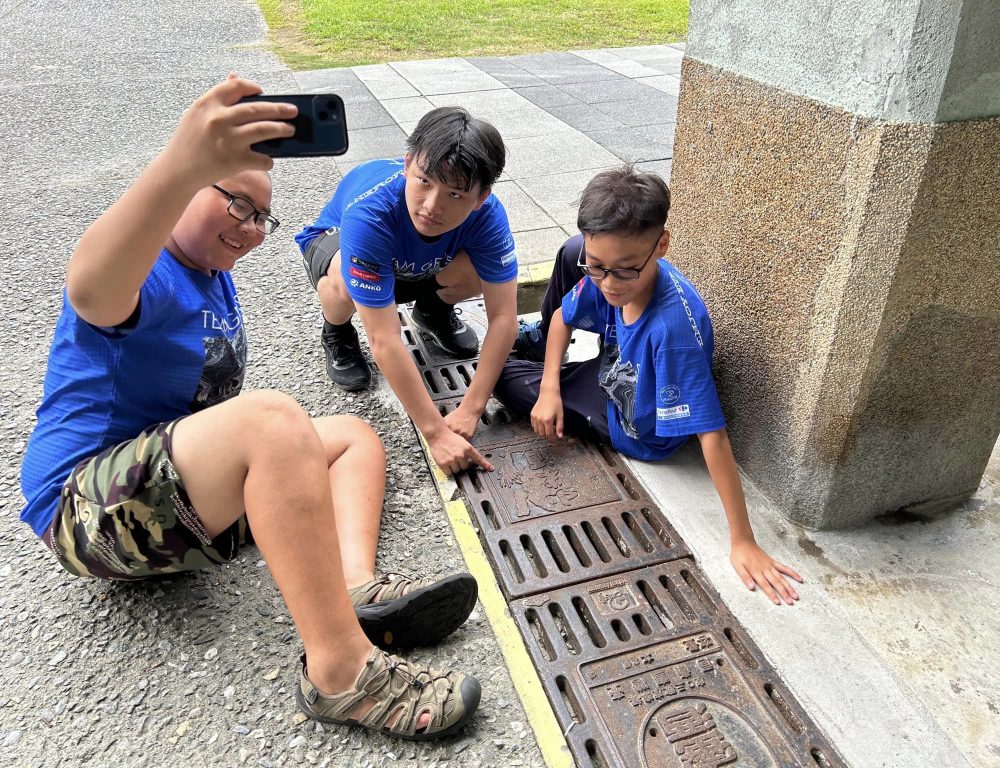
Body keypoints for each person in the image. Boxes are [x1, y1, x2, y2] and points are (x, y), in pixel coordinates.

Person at [18, 77, 481, 739]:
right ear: (188, 188)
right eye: (235, 202)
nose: (251, 228)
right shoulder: (143, 267)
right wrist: (181, 163)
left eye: (262, 216)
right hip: (86, 511)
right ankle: (340, 673)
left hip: (172, 500)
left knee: (352, 436)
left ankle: (353, 588)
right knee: (273, 420)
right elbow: (91, 285)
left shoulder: (213, 281)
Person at [495, 166, 804, 606]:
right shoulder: (613, 274)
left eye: (623, 271)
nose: (607, 283)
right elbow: (565, 316)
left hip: (631, 422)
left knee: (503, 378)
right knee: (568, 254)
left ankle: (553, 367)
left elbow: (711, 434)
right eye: (597, 267)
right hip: (617, 367)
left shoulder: (671, 333)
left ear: (661, 245)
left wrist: (743, 539)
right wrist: (548, 390)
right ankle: (545, 347)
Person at [295, 108, 518, 475]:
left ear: (481, 198)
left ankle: (432, 311)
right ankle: (336, 331)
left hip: (415, 262)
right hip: (339, 244)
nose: (432, 207)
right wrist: (436, 434)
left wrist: (472, 407)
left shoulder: (488, 216)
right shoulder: (370, 213)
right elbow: (384, 338)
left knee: (483, 271)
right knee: (342, 286)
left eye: (456, 195)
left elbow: (504, 316)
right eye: (424, 180)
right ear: (408, 163)